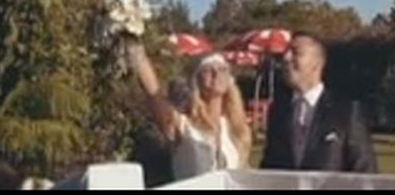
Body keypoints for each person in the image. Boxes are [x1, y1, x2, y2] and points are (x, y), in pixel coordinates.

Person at [126, 41, 252, 180]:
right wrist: (136, 52)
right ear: (196, 81)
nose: (216, 73)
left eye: (222, 69)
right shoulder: (184, 127)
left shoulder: (237, 129)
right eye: (207, 70)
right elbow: (154, 94)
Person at [260, 32, 377, 173]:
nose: (286, 58)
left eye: (296, 53)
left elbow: (364, 170)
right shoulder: (279, 111)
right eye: (286, 52)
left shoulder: (346, 112)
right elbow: (268, 170)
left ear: (316, 63)